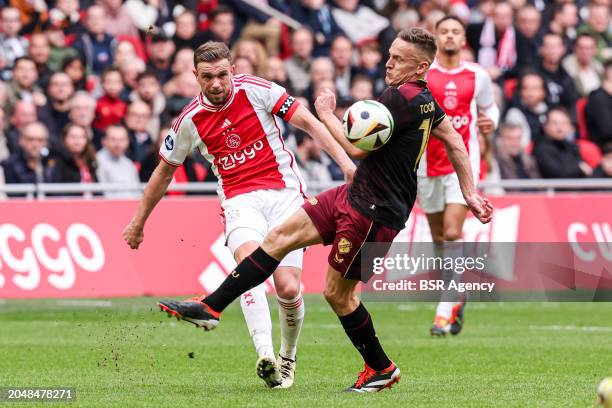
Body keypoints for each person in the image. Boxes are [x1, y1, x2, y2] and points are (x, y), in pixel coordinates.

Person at [140, 28, 493, 392]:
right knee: (279, 238)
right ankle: (212, 307)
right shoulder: (425, 99)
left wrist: (326, 114)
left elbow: (357, 150)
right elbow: (455, 140)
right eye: (389, 54)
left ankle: (381, 368)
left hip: (376, 210)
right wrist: (470, 191)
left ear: (420, 66)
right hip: (354, 194)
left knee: (339, 295)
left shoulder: (400, 99)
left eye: (398, 59)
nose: (388, 62)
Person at [123, 41, 356, 389]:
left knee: (289, 289)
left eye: (221, 75)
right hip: (239, 201)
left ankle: (287, 358)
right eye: (207, 77)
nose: (215, 84)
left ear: (232, 70)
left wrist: (347, 166)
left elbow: (308, 122)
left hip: (285, 196)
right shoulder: (189, 121)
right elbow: (163, 172)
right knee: (250, 269)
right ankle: (265, 356)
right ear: (195, 76)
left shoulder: (258, 90)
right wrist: (138, 222)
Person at [422, 16, 499, 336]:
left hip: (462, 164)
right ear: (436, 38)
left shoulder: (477, 75)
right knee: (439, 238)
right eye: (444, 32)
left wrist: (489, 123)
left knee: (453, 232)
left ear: (464, 40)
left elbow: (490, 108)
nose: (450, 36)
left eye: (455, 32)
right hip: (426, 165)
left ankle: (445, 307)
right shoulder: (423, 74)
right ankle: (457, 293)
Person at [533, 107, 592, 179]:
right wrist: (579, 168)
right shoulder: (541, 148)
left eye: (564, 123)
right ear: (545, 126)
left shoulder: (571, 147)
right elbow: (557, 174)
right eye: (555, 123)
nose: (560, 128)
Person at [95, 125, 140, 198]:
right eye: (113, 139)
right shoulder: (96, 161)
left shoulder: (129, 163)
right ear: (104, 141)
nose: (118, 144)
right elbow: (102, 193)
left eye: (121, 139)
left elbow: (137, 191)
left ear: (127, 142)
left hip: (131, 206)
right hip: (108, 207)